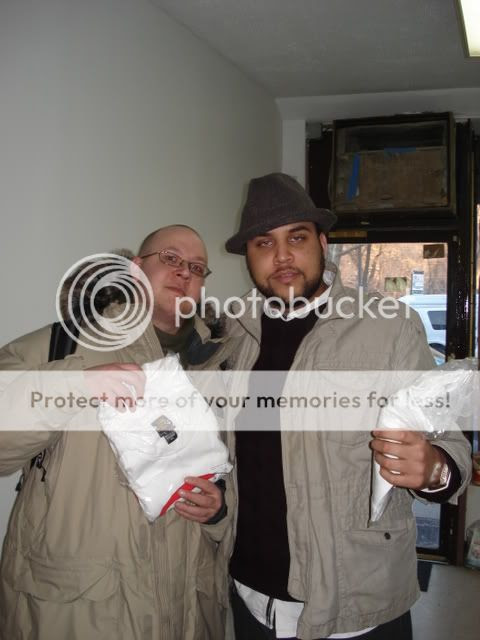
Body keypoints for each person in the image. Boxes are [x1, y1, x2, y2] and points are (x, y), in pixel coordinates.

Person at [216, 173, 472, 640]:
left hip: (357, 605)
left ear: (323, 243)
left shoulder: (389, 328)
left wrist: (432, 469)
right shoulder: (233, 333)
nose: (282, 256)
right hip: (251, 596)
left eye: (296, 237)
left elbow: (450, 448)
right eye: (263, 243)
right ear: (248, 257)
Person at [0, 225, 230, 640]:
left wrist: (218, 510)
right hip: (84, 615)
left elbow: (234, 473)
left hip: (188, 612)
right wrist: (76, 384)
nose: (184, 273)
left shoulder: (216, 365)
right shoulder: (63, 344)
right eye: (171, 259)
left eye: (197, 267)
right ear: (136, 268)